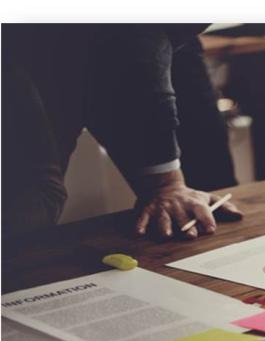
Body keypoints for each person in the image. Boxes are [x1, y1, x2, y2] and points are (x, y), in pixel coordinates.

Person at [2, 25, 242, 246]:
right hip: (30, 42)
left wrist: (165, 185)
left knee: (209, 168)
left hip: (151, 35)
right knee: (31, 200)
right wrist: (165, 183)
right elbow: (131, 44)